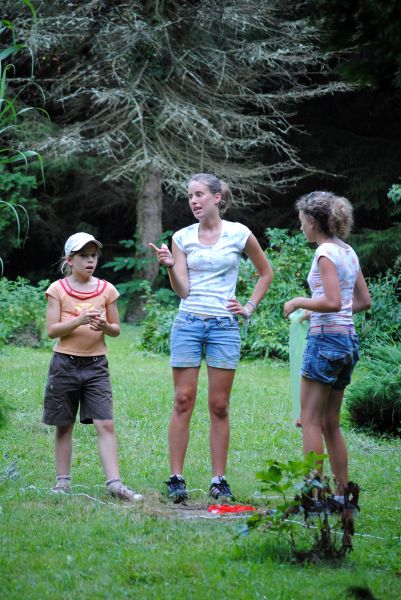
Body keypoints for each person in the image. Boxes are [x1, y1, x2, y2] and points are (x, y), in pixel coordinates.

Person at [150, 173, 273, 503]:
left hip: (223, 327)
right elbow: (183, 290)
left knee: (219, 406)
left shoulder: (239, 233)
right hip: (188, 322)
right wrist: (169, 265)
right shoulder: (181, 237)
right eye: (190, 196)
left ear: (217, 197)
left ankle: (219, 480)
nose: (193, 201)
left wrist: (248, 306)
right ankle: (176, 478)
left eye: (200, 194)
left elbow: (266, 272)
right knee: (183, 400)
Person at [283, 191, 371, 510]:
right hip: (347, 341)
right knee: (330, 422)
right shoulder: (347, 251)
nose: (301, 227)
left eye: (302, 221)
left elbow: (332, 301)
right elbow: (360, 301)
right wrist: (312, 312)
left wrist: (299, 302)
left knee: (309, 419)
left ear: (312, 221)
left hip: (326, 343)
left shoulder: (324, 252)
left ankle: (313, 496)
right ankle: (342, 496)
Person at [43, 232, 142, 502]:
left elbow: (116, 330)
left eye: (94, 256)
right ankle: (62, 483)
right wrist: (79, 320)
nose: (90, 261)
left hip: (97, 366)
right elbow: (52, 331)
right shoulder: (57, 290)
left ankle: (115, 484)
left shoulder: (107, 290)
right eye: (84, 256)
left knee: (106, 423)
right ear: (70, 259)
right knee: (64, 425)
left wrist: (104, 326)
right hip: (64, 364)